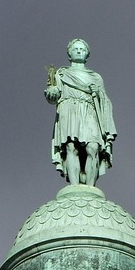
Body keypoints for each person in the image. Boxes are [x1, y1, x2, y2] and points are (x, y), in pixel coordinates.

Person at [45, 39, 116, 186]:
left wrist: (98, 93)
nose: (79, 51)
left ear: (87, 55)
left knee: (93, 147)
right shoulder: (61, 74)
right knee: (71, 147)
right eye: (75, 49)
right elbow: (54, 95)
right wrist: (51, 93)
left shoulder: (96, 77)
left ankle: (90, 186)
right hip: (69, 109)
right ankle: (74, 185)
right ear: (69, 54)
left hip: (89, 111)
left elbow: (105, 102)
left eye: (82, 49)